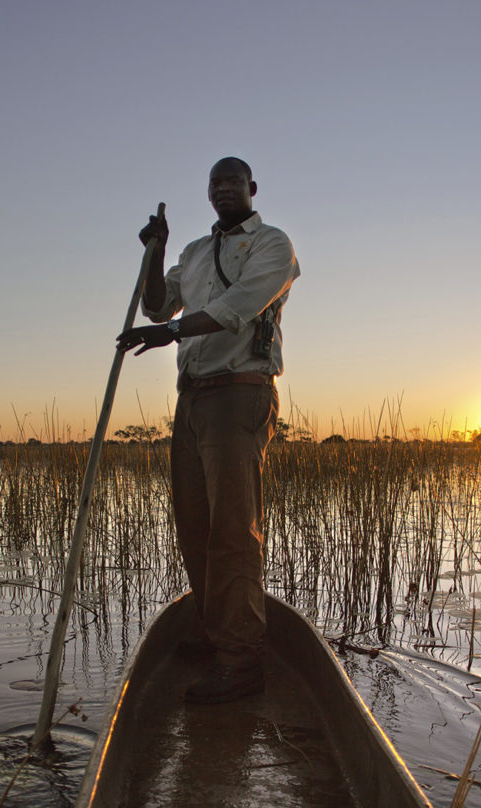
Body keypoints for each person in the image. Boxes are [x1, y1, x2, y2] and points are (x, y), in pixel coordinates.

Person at [117, 157, 300, 704]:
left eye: (233, 181)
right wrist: (155, 251)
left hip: (240, 393)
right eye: (215, 183)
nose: (223, 189)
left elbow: (233, 308)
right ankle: (214, 634)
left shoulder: (271, 244)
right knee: (194, 524)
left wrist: (170, 331)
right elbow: (156, 301)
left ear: (251, 188)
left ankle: (241, 661)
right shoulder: (195, 252)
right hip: (192, 399)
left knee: (231, 529)